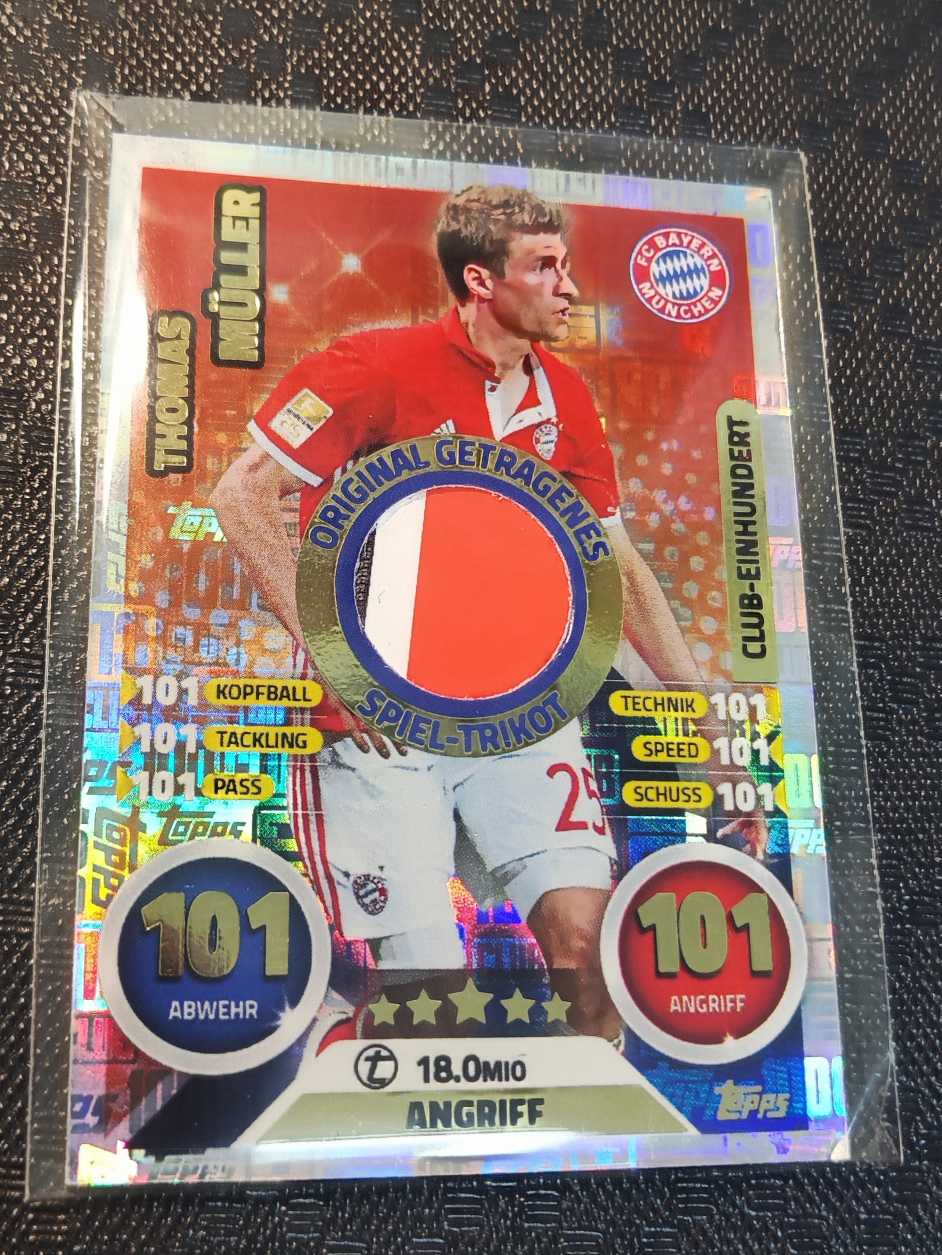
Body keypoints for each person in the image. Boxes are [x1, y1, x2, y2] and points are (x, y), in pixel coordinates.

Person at [211, 184, 766, 1042]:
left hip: (516, 709)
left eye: (566, 265)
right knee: (427, 994)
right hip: (381, 716)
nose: (568, 286)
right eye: (544, 267)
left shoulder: (567, 400)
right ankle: (339, 1054)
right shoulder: (372, 364)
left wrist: (705, 730)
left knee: (593, 959)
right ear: (480, 280)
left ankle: (585, 1129)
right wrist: (334, 659)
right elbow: (241, 493)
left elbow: (617, 569)